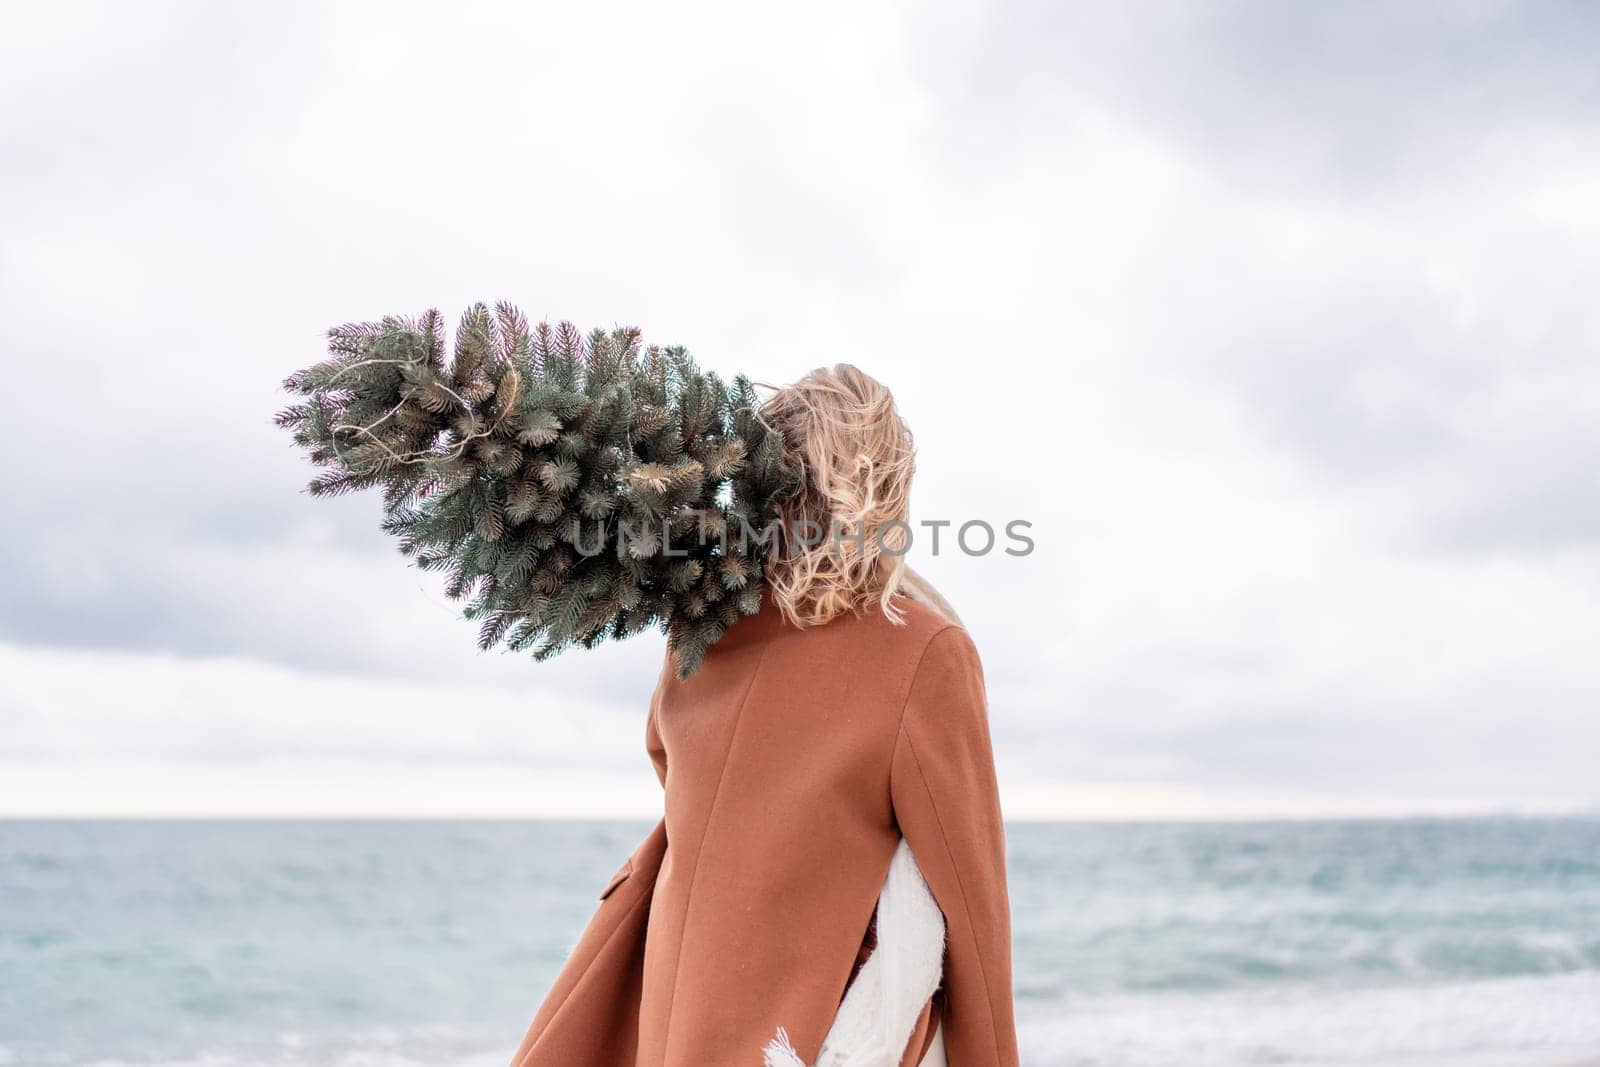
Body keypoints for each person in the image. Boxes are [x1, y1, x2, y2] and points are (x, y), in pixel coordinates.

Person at [509, 365, 1019, 1067]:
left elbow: (666, 756)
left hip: (671, 1016)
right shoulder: (925, 652)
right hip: (813, 1034)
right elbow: (971, 900)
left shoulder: (705, 623)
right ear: (890, 489)